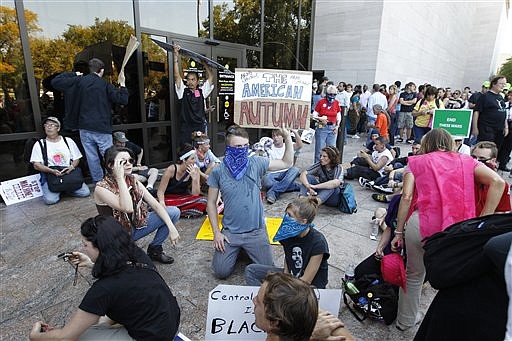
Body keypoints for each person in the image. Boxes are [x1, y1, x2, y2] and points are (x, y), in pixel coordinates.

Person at [389, 128, 506, 331]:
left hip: (420, 224)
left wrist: (398, 232)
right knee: (454, 277)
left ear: (427, 144)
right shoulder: (466, 161)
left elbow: (406, 197)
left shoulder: (416, 162)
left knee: (414, 274)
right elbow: (498, 182)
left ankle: (405, 321)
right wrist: (484, 219)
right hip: (456, 228)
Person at [29, 215, 180, 341]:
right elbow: (123, 275)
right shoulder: (136, 254)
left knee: (81, 336)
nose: (83, 248)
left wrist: (35, 335)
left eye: (85, 245)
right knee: (99, 322)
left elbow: (63, 337)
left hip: (153, 337)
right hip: (169, 321)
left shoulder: (103, 289)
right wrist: (91, 263)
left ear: (99, 247)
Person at [206, 125, 294, 279]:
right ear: (228, 147)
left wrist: (287, 137)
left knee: (269, 273)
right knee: (220, 272)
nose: (242, 149)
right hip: (230, 232)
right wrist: (216, 233)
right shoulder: (218, 171)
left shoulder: (256, 162)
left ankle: (245, 250)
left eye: (245, 146)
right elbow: (211, 203)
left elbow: (286, 163)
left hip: (256, 231)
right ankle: (240, 251)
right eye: (238, 146)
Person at [94, 146, 180, 264]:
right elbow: (127, 208)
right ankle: (124, 251)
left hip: (134, 227)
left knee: (173, 212)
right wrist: (119, 178)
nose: (129, 164)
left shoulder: (132, 180)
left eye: (130, 161)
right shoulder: (101, 187)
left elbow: (155, 204)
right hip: (116, 237)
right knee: (139, 269)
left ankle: (155, 249)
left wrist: (171, 227)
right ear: (110, 165)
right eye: (123, 162)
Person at [51, 58, 129, 183]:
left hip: (84, 127)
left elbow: (56, 82)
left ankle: (99, 181)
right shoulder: (105, 84)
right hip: (102, 127)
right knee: (109, 156)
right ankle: (114, 181)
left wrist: (74, 74)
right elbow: (122, 100)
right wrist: (123, 85)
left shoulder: (79, 81)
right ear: (101, 70)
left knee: (92, 157)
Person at [245, 197, 330, 288]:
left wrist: (285, 287)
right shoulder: (287, 233)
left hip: (309, 287)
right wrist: (284, 277)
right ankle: (264, 299)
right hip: (291, 277)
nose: (285, 217)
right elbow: (288, 259)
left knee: (285, 293)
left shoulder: (318, 242)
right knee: (251, 270)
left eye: (289, 215)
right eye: (286, 213)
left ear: (303, 221)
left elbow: (306, 281)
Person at [253, 272, 350, 341]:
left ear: (274, 323)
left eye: (258, 301)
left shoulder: (275, 332)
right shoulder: (302, 310)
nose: (253, 301)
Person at [30, 116, 90, 205]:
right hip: (51, 175)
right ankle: (63, 189)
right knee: (50, 200)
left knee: (85, 192)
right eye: (46, 125)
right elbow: (36, 165)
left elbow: (77, 158)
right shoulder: (40, 144)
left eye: (52, 125)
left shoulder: (68, 141)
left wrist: (71, 167)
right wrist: (51, 171)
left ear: (58, 128)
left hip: (68, 174)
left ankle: (65, 189)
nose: (49, 127)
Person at [173, 44, 214, 146]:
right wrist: (175, 56)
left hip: (199, 126)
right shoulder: (182, 91)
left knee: (200, 150)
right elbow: (177, 75)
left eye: (193, 79)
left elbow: (211, 76)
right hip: (186, 128)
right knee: (187, 152)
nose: (190, 82)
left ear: (197, 81)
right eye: (188, 79)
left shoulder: (201, 92)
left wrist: (204, 63)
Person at [157, 144, 208, 218]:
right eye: (192, 159)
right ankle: (182, 212)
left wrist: (194, 179)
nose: (194, 161)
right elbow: (160, 191)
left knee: (203, 201)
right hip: (169, 198)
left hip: (183, 199)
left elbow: (195, 195)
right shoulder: (171, 170)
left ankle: (175, 212)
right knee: (157, 203)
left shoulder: (195, 170)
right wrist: (162, 203)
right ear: (184, 160)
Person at [472, 75, 509, 170]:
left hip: (499, 129)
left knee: (495, 150)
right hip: (487, 128)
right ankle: (481, 168)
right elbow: (477, 112)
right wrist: (475, 127)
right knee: (486, 149)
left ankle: (491, 168)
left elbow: (504, 112)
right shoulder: (485, 97)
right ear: (494, 84)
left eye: (504, 84)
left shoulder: (501, 97)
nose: (503, 86)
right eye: (501, 83)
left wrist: (506, 127)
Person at [263, 129, 303, 204]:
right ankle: (291, 186)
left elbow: (300, 145)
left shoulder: (288, 145)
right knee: (267, 182)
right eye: (273, 136)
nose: (275, 138)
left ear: (283, 137)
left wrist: (294, 132)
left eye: (278, 135)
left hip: (286, 172)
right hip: (272, 173)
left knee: (295, 170)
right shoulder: (269, 146)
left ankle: (273, 192)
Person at [471, 141, 511, 215]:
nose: (476, 162)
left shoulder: (501, 184)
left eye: (481, 158)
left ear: (493, 161)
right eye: (473, 157)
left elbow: (500, 214)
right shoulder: (463, 178)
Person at [311, 85, 341, 164]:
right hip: (322, 127)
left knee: (331, 150)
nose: (332, 96)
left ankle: (330, 167)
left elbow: (338, 116)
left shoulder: (336, 103)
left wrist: (337, 126)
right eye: (330, 94)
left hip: (332, 128)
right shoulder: (321, 102)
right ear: (326, 93)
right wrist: (320, 119)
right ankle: (317, 167)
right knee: (319, 149)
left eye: (334, 94)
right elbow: (314, 115)